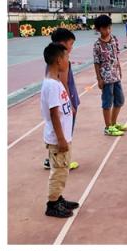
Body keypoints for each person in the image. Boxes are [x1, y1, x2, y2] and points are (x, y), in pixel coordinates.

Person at [40, 42, 78, 219]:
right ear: (58, 60)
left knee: (62, 170)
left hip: (63, 135)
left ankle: (58, 197)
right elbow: (54, 113)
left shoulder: (56, 81)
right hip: (58, 138)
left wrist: (70, 107)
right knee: (59, 171)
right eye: (66, 57)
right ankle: (52, 204)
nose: (68, 61)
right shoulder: (52, 85)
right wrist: (61, 139)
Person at [42, 28, 80, 172]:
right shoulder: (63, 62)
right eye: (71, 44)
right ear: (62, 43)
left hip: (62, 100)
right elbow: (64, 83)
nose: (71, 47)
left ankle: (53, 158)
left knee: (61, 129)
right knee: (65, 130)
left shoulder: (52, 61)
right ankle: (62, 159)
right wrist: (70, 104)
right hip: (65, 100)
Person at [91, 14, 125, 137]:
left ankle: (113, 123)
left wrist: (119, 69)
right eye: (104, 28)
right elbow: (96, 63)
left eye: (109, 28)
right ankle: (108, 127)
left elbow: (116, 56)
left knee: (120, 100)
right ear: (98, 29)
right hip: (106, 79)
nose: (108, 30)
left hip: (116, 76)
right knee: (107, 103)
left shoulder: (114, 39)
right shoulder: (97, 45)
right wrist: (99, 79)